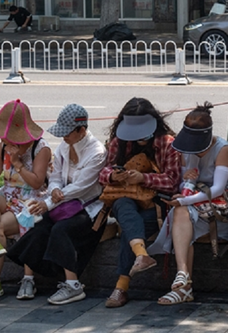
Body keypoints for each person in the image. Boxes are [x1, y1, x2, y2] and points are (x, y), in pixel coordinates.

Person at [6, 104, 107, 305]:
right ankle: (29, 278)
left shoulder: (97, 152)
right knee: (39, 225)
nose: (64, 137)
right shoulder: (63, 148)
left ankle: (73, 284)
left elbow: (81, 187)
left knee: (62, 229)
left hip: (89, 209)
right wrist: (53, 190)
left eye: (68, 132)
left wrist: (50, 202)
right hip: (63, 205)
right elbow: (56, 177)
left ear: (82, 130)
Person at [148, 102, 228, 305]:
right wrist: (187, 181)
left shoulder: (223, 150)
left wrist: (185, 199)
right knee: (182, 213)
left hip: (222, 207)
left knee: (181, 212)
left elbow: (217, 189)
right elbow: (185, 183)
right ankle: (183, 277)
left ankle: (184, 285)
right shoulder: (186, 149)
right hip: (194, 206)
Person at [98, 98, 182, 308]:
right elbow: (104, 171)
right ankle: (141, 256)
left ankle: (121, 286)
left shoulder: (168, 144)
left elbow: (173, 181)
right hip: (126, 198)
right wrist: (114, 176)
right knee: (123, 204)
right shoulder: (120, 142)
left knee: (130, 227)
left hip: (156, 203)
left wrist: (144, 179)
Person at [0, 99, 51, 302]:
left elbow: (37, 183)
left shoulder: (41, 149)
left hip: (29, 201)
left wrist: (17, 164)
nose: (8, 143)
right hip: (7, 196)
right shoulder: (3, 147)